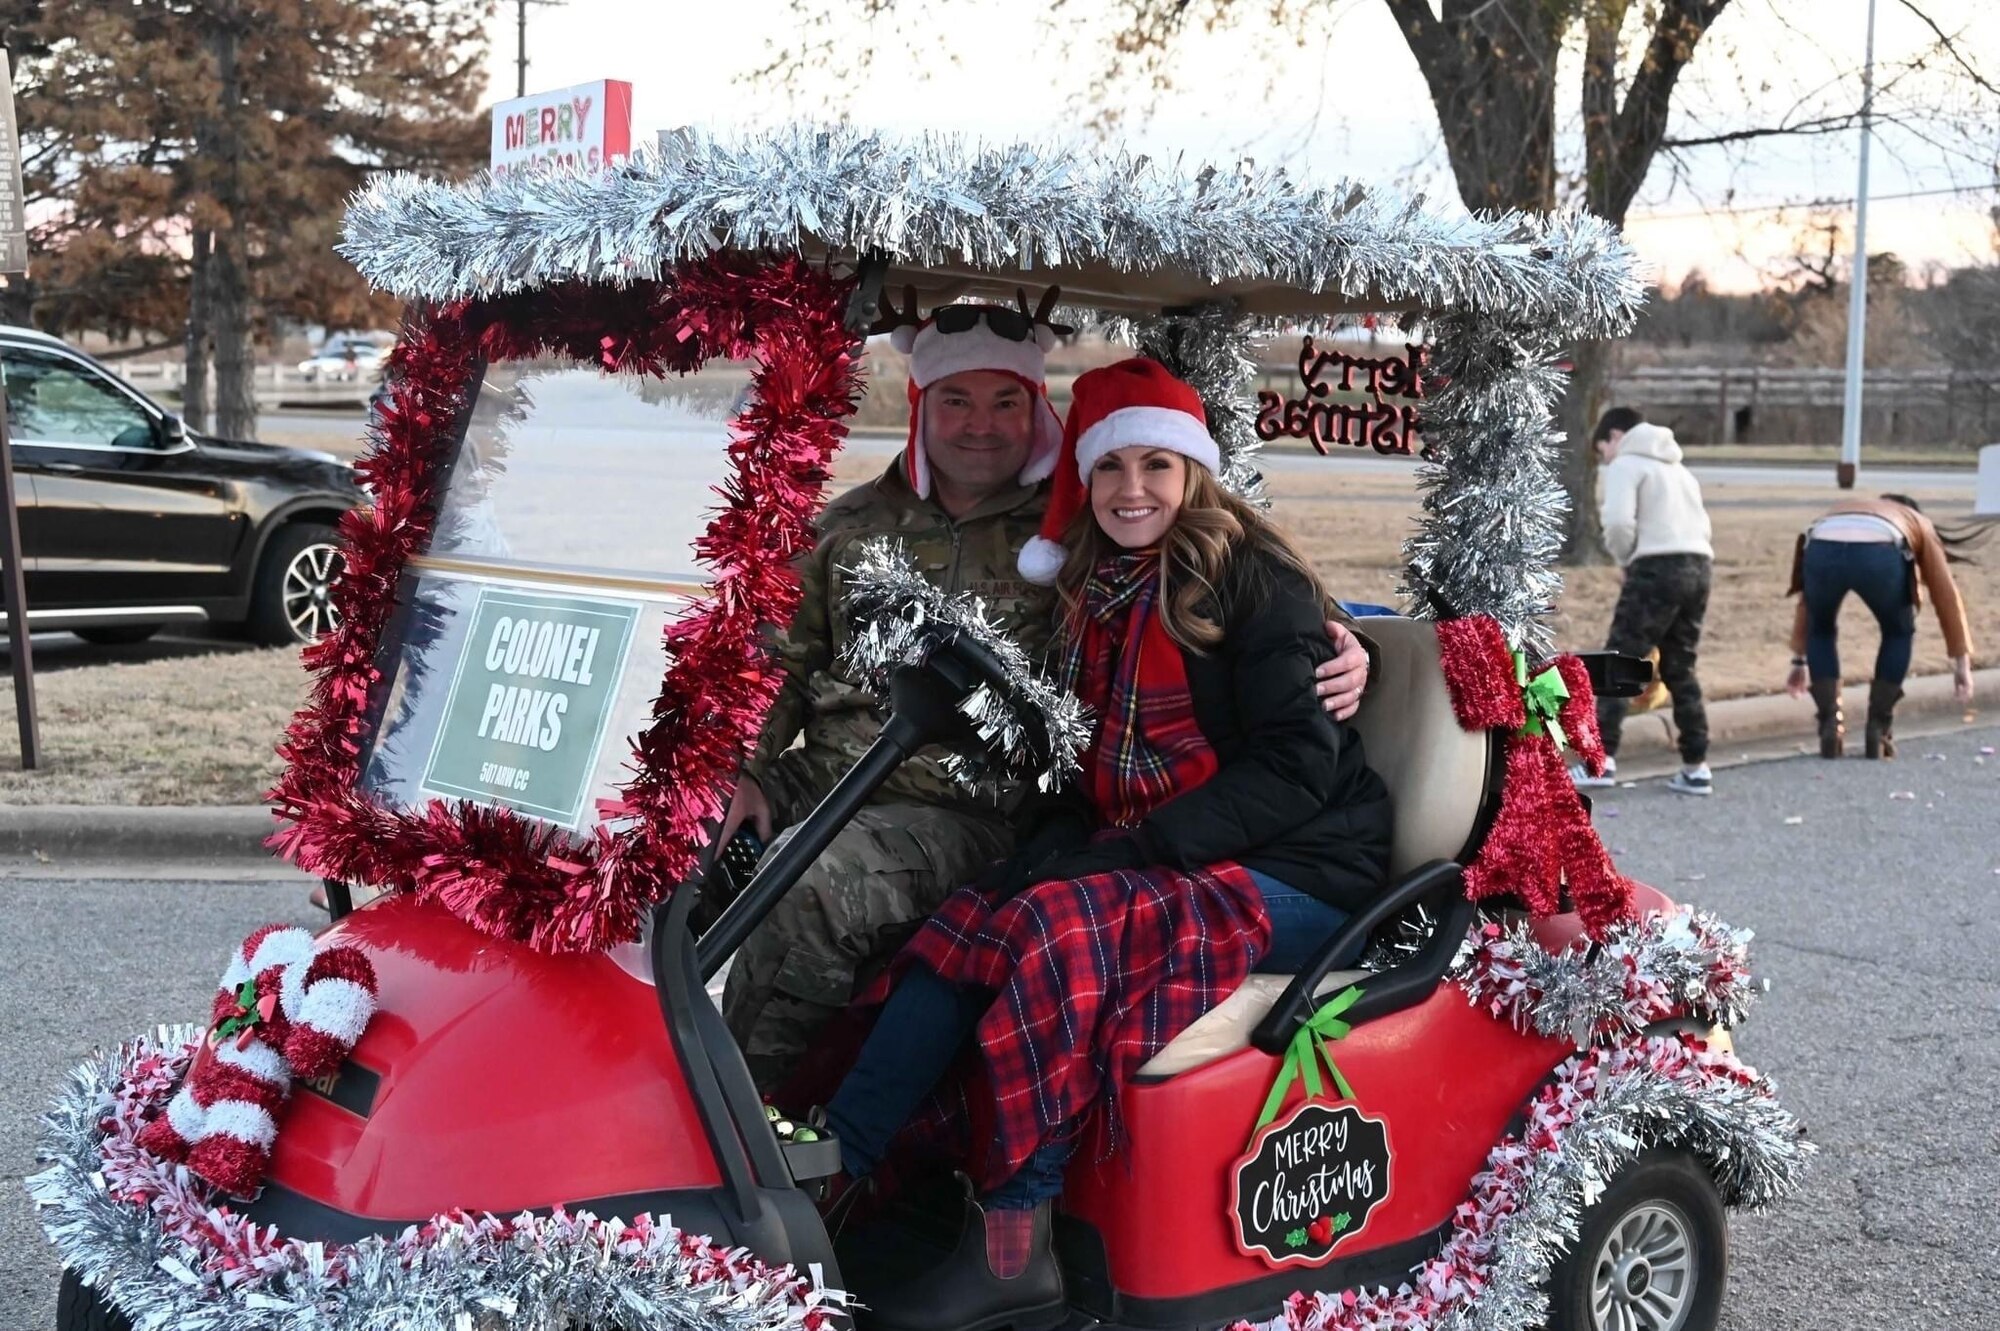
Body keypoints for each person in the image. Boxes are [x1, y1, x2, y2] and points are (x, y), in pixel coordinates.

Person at [818, 359, 1394, 1330]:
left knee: (1054, 935)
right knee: (971, 919)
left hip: (1298, 868)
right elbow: (1085, 763)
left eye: (1157, 467)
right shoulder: (1100, 587)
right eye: (1111, 466)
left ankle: (1013, 1246)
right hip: (1174, 851)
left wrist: (1140, 847)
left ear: (1193, 475)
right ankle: (842, 1175)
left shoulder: (1254, 579)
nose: (1133, 489)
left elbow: (1294, 768)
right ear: (1082, 478)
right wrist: (1058, 846)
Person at [717, 297, 1374, 1091]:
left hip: (972, 805)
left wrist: (1356, 641)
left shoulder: (1075, 532)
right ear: (921, 404)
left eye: (1006, 402)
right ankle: (633, 1100)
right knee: (680, 845)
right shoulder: (851, 524)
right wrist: (741, 769)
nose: (981, 425)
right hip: (828, 778)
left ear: (1039, 410)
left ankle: (751, 1129)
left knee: (808, 880)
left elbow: (1246, 582)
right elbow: (775, 663)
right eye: (956, 400)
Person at [1572, 407, 1716, 796]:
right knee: (1680, 666)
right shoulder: (1680, 469)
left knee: (1620, 661)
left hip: (1655, 567)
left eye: (1603, 449)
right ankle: (1696, 765)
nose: (1604, 457)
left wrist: (1625, 558)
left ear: (1615, 436)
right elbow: (1702, 525)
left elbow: (1618, 522)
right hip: (1699, 566)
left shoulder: (1627, 464)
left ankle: (1599, 760)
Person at [1783, 493, 1980, 758]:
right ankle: (1878, 728)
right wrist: (1961, 663)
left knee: (1821, 628)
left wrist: (1799, 660)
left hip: (1820, 546)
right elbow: (1945, 594)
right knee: (1898, 632)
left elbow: (1808, 602)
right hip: (1880, 552)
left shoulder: (1847, 507)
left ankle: (1830, 725)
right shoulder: (1917, 521)